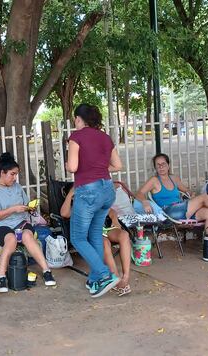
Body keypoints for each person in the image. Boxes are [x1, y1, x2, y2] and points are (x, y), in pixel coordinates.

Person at [66, 103, 123, 298]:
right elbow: (118, 165)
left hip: (88, 191)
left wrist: (68, 164)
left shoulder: (76, 136)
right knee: (95, 235)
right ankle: (95, 279)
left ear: (78, 119)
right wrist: (99, 167)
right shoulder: (105, 137)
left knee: (78, 237)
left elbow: (73, 167)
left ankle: (105, 274)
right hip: (107, 190)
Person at [0, 152, 56, 293]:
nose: (14, 177)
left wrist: (29, 208)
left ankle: (47, 271)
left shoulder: (17, 187)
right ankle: (1, 277)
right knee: (10, 239)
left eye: (16, 174)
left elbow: (24, 205)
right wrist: (13, 209)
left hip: (21, 222)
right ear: (2, 173)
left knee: (27, 236)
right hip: (2, 225)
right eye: (12, 174)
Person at [133, 153, 208, 233]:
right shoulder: (154, 180)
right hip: (169, 212)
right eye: (157, 165)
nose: (161, 167)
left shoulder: (174, 178)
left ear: (168, 165)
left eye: (163, 164)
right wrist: (144, 201)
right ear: (155, 167)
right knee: (204, 198)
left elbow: (186, 190)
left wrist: (191, 193)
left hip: (182, 208)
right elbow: (139, 193)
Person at [60, 183, 132, 296]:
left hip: (105, 228)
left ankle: (126, 276)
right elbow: (64, 213)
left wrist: (115, 220)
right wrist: (70, 194)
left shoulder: (92, 199)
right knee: (104, 242)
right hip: (92, 233)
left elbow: (111, 211)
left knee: (124, 235)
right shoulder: (76, 207)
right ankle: (115, 278)